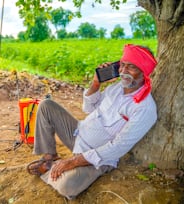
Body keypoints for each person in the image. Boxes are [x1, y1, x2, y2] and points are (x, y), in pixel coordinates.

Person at [27, 44, 158, 200]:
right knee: (46, 106)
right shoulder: (115, 88)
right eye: (122, 65)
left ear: (144, 72)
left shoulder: (144, 108)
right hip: (78, 134)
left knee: (67, 185)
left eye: (131, 68)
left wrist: (74, 161)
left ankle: (54, 169)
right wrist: (96, 83)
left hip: (97, 158)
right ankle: (50, 159)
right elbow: (88, 108)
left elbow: (118, 147)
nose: (123, 71)